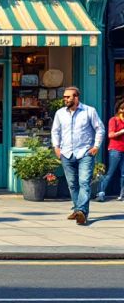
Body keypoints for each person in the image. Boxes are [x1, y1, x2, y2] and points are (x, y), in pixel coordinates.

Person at [52, 86, 105, 225]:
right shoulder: (60, 113)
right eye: (64, 97)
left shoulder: (89, 111)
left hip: (85, 153)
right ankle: (78, 210)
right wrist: (56, 148)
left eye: (68, 97)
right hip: (66, 153)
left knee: (84, 183)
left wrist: (96, 146)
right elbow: (55, 131)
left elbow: (100, 128)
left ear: (76, 97)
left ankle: (81, 211)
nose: (65, 99)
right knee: (72, 184)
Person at [97, 99, 124, 202]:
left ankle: (121, 195)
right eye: (122, 108)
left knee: (123, 174)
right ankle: (101, 193)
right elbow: (110, 135)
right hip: (115, 149)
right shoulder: (114, 120)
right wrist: (121, 131)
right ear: (118, 109)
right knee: (110, 172)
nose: (123, 111)